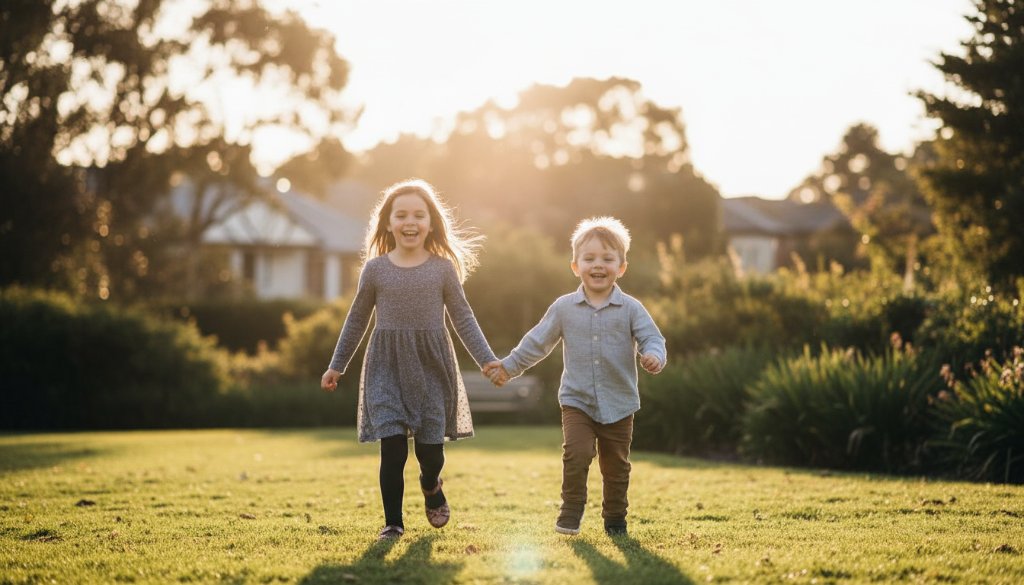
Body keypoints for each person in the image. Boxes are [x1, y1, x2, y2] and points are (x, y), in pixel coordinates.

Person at [321, 178, 502, 541]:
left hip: (432, 368)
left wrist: (487, 360)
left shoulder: (442, 269)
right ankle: (393, 523)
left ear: (431, 223)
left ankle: (431, 483)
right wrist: (336, 365)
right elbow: (357, 318)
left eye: (419, 215)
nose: (410, 222)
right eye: (400, 215)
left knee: (430, 451)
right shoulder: (375, 270)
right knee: (391, 447)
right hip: (386, 367)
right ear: (387, 223)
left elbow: (463, 317)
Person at [484, 216, 666, 536]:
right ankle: (570, 513)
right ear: (575, 266)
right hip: (577, 400)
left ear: (621, 267)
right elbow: (537, 342)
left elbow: (653, 338)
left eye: (608, 259)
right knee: (577, 454)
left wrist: (654, 356)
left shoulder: (631, 308)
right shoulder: (564, 307)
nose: (598, 265)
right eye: (590, 258)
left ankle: (614, 519)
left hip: (620, 402)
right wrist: (509, 367)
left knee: (616, 466)